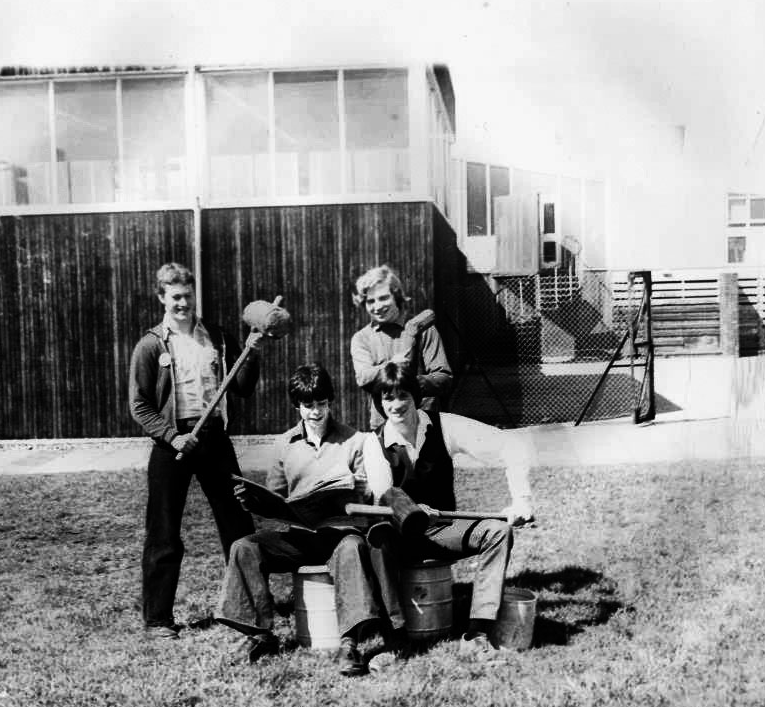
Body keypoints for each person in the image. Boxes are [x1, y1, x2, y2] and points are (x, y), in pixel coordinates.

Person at [215, 363, 388, 676]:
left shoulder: (354, 440)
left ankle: (350, 643)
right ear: (297, 405)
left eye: (322, 403)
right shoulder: (285, 444)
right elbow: (275, 496)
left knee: (352, 548)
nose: (316, 412)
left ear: (330, 401)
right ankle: (260, 635)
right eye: (308, 405)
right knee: (244, 547)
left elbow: (368, 499)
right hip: (299, 535)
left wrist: (361, 490)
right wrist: (253, 501)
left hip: (340, 535)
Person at [360, 362, 535, 664]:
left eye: (403, 395)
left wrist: (521, 500)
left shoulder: (444, 426)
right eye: (388, 398)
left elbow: (511, 445)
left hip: (443, 532)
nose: (396, 404)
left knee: (498, 531)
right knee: (377, 538)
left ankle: (477, 634)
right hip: (400, 536)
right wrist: (412, 511)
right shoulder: (374, 443)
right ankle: (395, 639)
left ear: (416, 396)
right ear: (380, 403)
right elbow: (384, 494)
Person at [129, 262, 263, 639]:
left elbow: (242, 387)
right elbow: (139, 405)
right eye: (175, 297)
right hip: (171, 444)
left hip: (214, 438)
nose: (183, 303)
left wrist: (251, 353)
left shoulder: (216, 337)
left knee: (238, 522)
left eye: (188, 295)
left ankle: (248, 606)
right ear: (162, 298)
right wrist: (172, 436)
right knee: (164, 530)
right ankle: (158, 619)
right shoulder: (151, 345)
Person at [350, 265, 453, 430]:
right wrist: (392, 365)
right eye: (370, 301)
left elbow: (445, 378)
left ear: (396, 296)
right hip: (383, 425)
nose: (377, 306)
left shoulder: (423, 330)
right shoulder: (362, 338)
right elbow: (363, 377)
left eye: (383, 298)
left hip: (424, 421)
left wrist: (413, 384)